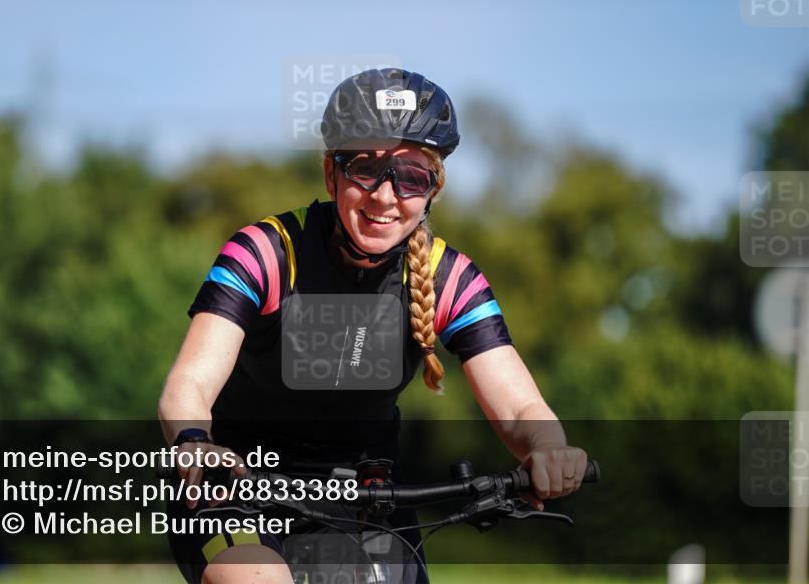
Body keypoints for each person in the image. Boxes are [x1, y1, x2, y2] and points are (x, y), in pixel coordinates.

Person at [158, 68, 589, 584]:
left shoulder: (451, 278)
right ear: (331, 174)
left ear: (432, 189)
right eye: (364, 168)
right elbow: (189, 383)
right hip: (233, 488)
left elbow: (519, 407)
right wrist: (192, 439)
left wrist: (548, 448)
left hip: (369, 495)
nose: (385, 196)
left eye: (411, 177)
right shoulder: (266, 253)